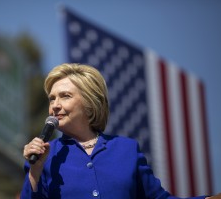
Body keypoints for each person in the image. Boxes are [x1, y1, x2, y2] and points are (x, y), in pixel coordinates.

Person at [21, 63, 220, 199]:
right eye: (52, 98)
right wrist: (35, 172)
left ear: (90, 103)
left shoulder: (127, 150)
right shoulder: (45, 156)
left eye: (65, 96)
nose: (55, 105)